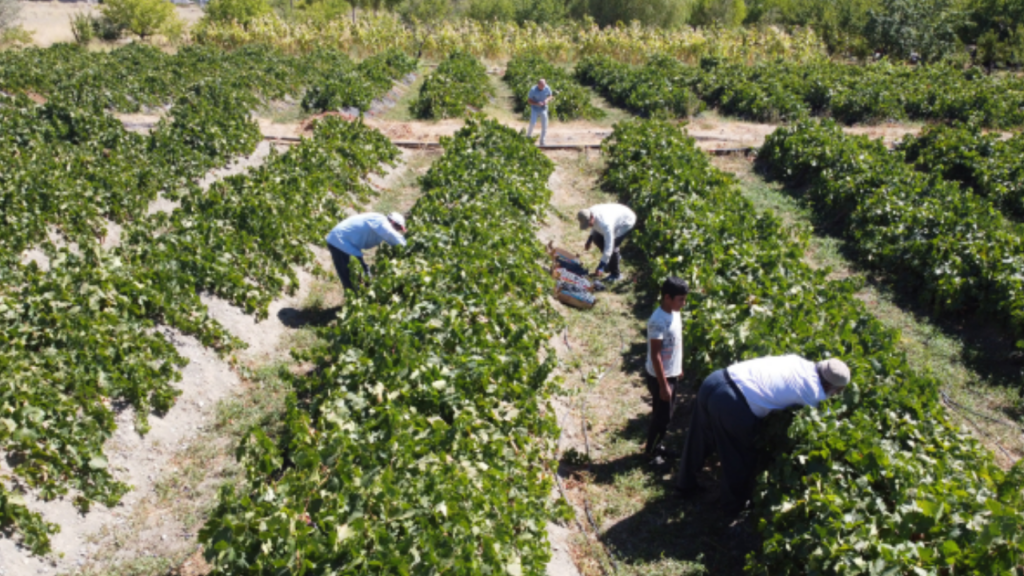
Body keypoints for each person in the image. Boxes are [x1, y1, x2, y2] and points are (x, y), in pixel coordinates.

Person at [675, 355, 851, 514]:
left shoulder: (799, 361)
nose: (835, 395)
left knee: (699, 437)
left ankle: (685, 485)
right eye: (838, 391)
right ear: (829, 386)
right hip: (732, 403)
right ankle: (733, 508)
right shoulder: (814, 393)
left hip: (716, 379)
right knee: (740, 457)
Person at [643, 277, 689, 466]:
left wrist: (678, 368)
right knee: (662, 417)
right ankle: (650, 453)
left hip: (671, 372)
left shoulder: (675, 313)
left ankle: (658, 446)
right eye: (681, 299)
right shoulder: (657, 321)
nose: (683, 304)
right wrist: (663, 386)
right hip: (659, 377)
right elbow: (656, 355)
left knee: (665, 414)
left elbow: (675, 343)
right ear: (667, 297)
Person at [325, 212, 407, 292]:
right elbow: (390, 233)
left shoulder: (379, 223)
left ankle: (361, 297)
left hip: (344, 242)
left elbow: (391, 239)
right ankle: (356, 300)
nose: (397, 231)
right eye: (398, 229)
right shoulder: (381, 222)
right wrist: (407, 247)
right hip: (340, 240)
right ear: (393, 223)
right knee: (352, 275)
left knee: (361, 274)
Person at [577, 204, 636, 282]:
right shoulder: (588, 213)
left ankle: (616, 275)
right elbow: (594, 226)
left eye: (588, 224)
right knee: (596, 238)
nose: (589, 226)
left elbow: (609, 247)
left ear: (591, 218)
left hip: (626, 221)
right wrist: (589, 239)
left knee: (613, 247)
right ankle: (612, 260)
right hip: (615, 216)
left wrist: (601, 266)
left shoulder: (605, 224)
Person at [526, 78, 553, 146]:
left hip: (543, 108)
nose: (543, 87)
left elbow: (550, 96)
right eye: (541, 86)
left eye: (544, 86)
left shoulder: (546, 87)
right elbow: (529, 100)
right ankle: (528, 138)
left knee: (545, 125)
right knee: (533, 123)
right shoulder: (533, 90)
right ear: (538, 85)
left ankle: (542, 141)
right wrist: (537, 103)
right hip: (535, 108)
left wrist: (547, 100)